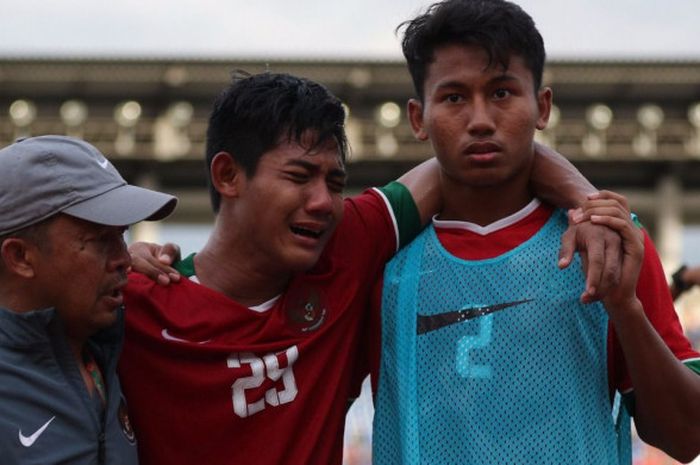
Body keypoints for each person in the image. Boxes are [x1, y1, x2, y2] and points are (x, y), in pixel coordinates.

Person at [121, 72, 623, 465]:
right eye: (299, 176)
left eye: (335, 181)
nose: (322, 202)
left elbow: (472, 161)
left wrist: (590, 206)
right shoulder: (132, 308)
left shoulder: (344, 252)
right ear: (228, 175)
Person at [372, 1, 700, 463]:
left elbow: (687, 439)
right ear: (417, 119)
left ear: (542, 106)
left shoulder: (610, 242)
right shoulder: (384, 262)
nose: (481, 118)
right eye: (453, 98)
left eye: (502, 92)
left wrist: (625, 307)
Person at [0, 135, 177, 464]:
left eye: (122, 236)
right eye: (99, 240)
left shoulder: (116, 342)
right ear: (21, 257)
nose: (124, 258)